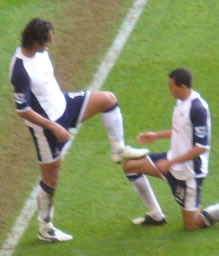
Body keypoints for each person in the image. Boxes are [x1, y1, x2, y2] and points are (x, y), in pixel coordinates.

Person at [9, 17, 149, 242]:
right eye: (46, 42)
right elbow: (22, 109)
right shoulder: (20, 70)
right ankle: (45, 228)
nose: (49, 46)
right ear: (34, 41)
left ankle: (119, 149)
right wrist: (54, 127)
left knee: (108, 100)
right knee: (51, 177)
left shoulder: (40, 53)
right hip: (47, 128)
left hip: (65, 106)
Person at [122, 67, 219, 230]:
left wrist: (170, 162)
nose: (169, 90)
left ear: (182, 87)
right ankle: (156, 215)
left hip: (190, 172)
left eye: (171, 86)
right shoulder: (180, 102)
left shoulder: (197, 108)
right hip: (172, 161)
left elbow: (201, 148)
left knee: (192, 224)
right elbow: (180, 130)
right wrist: (156, 136)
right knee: (130, 166)